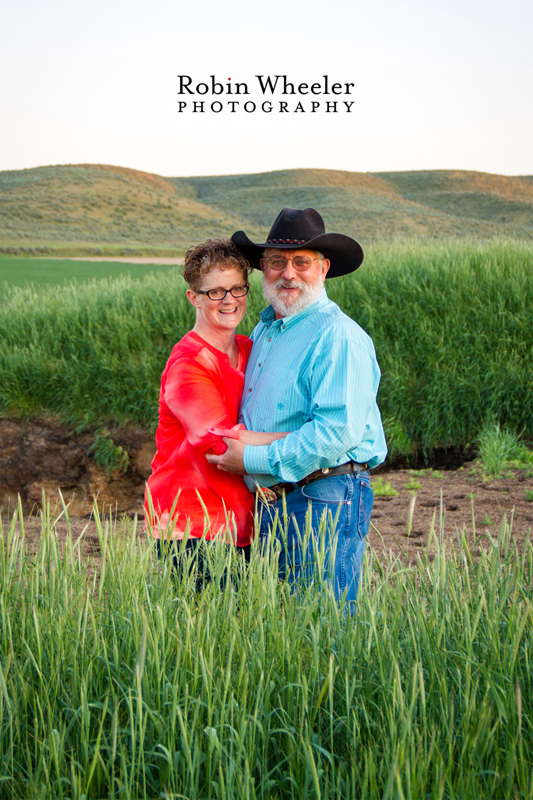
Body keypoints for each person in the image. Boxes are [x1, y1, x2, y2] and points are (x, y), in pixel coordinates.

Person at [206, 208, 387, 605]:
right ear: (263, 270)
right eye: (277, 262)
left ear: (322, 269)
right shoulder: (267, 329)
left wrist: (253, 457)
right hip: (275, 501)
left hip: (324, 495)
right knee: (282, 629)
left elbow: (336, 434)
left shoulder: (337, 336)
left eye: (301, 262)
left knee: (320, 626)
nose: (288, 273)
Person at [144, 238, 285, 572]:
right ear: (193, 297)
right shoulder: (188, 365)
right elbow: (222, 445)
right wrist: (307, 438)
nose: (229, 300)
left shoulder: (250, 350)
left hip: (244, 523)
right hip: (192, 526)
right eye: (215, 292)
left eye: (237, 289)